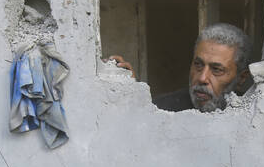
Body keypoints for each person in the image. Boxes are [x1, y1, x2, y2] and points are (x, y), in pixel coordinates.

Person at [108, 23, 254, 112]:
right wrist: (131, 99)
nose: (202, 78)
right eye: (198, 64)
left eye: (216, 70)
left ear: (241, 78)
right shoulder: (160, 109)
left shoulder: (255, 117)